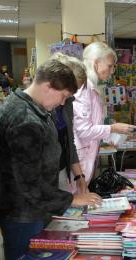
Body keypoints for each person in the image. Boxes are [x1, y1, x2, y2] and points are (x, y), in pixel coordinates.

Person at [0, 59, 102, 260]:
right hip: (21, 212)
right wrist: (72, 199)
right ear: (48, 86)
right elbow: (29, 185)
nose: (62, 103)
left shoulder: (30, 107)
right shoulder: (25, 120)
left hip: (25, 208)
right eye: (63, 96)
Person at [73, 42, 136, 184]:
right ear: (96, 63)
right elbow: (83, 131)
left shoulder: (91, 89)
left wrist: (111, 134)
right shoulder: (84, 90)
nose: (112, 70)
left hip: (86, 156)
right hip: (79, 160)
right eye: (110, 66)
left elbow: (92, 126)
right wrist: (113, 129)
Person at [49, 53, 88, 194]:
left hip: (61, 171)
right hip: (45, 179)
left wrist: (80, 177)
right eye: (69, 91)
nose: (70, 96)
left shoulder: (67, 104)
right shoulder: (42, 109)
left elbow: (69, 142)